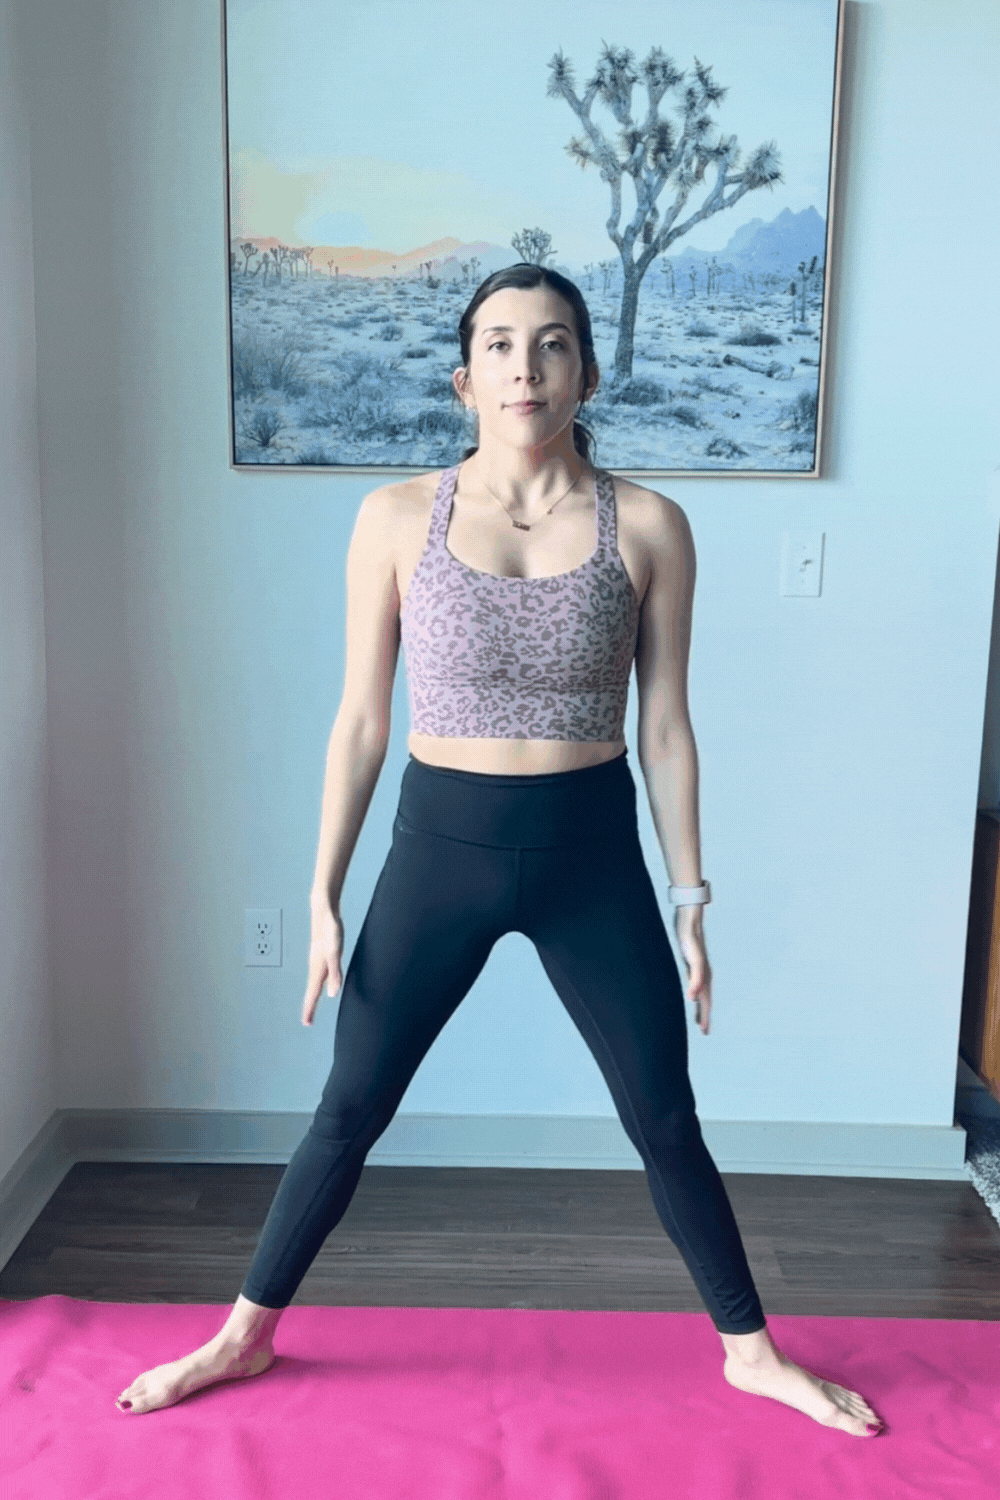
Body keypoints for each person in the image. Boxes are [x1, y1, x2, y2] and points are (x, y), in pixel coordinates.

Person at [116, 264, 883, 1436]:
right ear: (462, 376)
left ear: (588, 371)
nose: (526, 367)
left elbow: (665, 729)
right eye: (500, 344)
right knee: (349, 1107)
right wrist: (321, 893)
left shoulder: (650, 525)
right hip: (441, 850)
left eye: (553, 342)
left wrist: (691, 897)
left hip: (591, 857)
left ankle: (751, 1353)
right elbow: (360, 720)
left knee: (662, 1115)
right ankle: (241, 1337)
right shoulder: (393, 517)